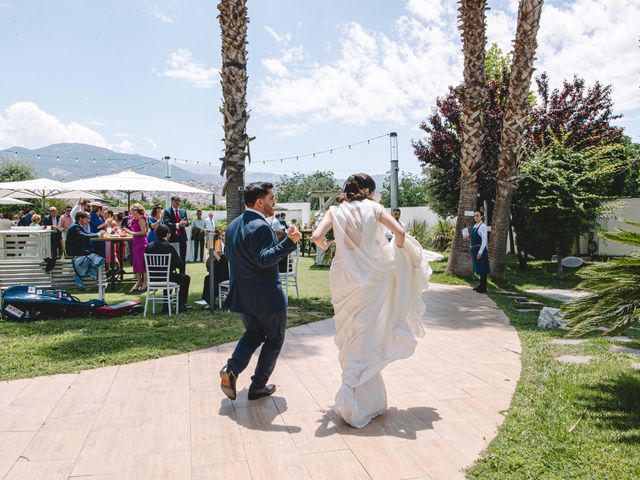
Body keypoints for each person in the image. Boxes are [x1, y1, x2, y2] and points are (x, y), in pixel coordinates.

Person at [311, 173, 431, 428]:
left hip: (343, 278)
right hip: (373, 278)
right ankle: (352, 390)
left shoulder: (334, 211)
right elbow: (399, 232)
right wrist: (396, 254)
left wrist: (327, 246)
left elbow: (315, 237)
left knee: (350, 333)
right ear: (366, 190)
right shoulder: (375, 208)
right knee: (367, 332)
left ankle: (355, 391)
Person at [219, 182, 301, 401]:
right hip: (266, 296)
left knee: (254, 334)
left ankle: (231, 370)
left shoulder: (233, 225)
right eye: (271, 197)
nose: (274, 201)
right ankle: (258, 387)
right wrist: (290, 243)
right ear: (259, 201)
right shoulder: (261, 226)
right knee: (274, 339)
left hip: (243, 295)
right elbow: (264, 259)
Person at [145, 224, 191, 312]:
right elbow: (180, 264)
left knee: (169, 275)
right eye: (169, 233)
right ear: (166, 234)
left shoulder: (149, 247)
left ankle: (166, 306)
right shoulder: (169, 247)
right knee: (185, 278)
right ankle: (181, 304)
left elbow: (145, 264)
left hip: (153, 279)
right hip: (167, 278)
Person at [124, 203, 149, 292]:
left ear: (135, 211)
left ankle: (145, 282)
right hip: (135, 242)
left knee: (142, 263)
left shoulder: (141, 219)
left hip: (141, 243)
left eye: (131, 210)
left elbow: (143, 232)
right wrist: (130, 232)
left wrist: (131, 233)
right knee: (136, 262)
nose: (130, 212)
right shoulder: (134, 219)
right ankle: (138, 281)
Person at [202, 231, 229, 307]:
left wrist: (216, 255)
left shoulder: (231, 247)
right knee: (208, 277)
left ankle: (210, 301)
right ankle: (210, 300)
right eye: (222, 236)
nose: (222, 238)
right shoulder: (225, 247)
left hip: (228, 275)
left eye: (224, 236)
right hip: (223, 273)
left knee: (211, 278)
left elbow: (226, 263)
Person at [163, 196, 189, 272]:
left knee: (183, 257)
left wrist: (185, 223)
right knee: (171, 256)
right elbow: (166, 222)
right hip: (172, 238)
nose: (178, 202)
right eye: (176, 200)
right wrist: (177, 225)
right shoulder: (167, 211)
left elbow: (187, 222)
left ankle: (182, 273)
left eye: (179, 200)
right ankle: (172, 272)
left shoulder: (183, 211)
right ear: (172, 201)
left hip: (182, 237)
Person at [470, 210, 490, 293]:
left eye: (477, 215)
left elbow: (484, 240)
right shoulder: (475, 226)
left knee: (483, 269)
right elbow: (474, 238)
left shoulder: (483, 226)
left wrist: (480, 252)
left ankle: (484, 287)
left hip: (480, 250)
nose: (475, 217)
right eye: (475, 216)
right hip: (475, 249)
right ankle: (480, 285)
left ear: (481, 217)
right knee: (479, 268)